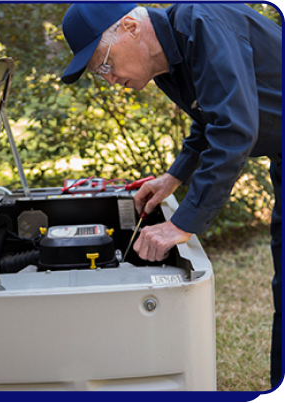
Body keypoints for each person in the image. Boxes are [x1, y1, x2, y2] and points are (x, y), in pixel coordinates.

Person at [61, 3, 282, 388]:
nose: (108, 79)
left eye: (104, 64)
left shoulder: (204, 23)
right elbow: (209, 121)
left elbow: (233, 130)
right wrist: (173, 177)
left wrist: (181, 224)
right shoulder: (167, 63)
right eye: (101, 73)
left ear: (129, 26)